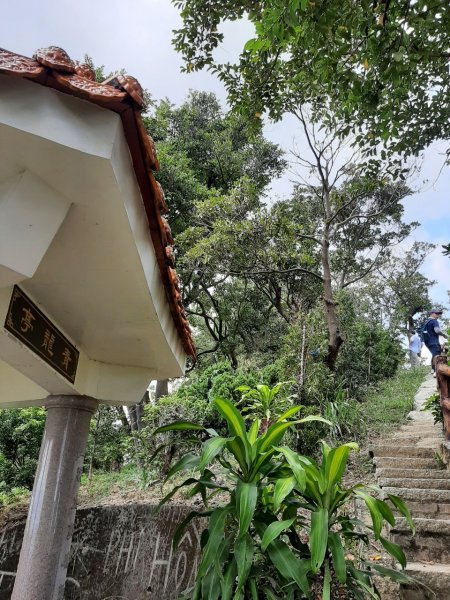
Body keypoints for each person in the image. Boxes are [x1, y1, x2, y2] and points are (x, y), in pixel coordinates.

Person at [424, 309, 448, 375]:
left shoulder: (427, 322)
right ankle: (436, 371)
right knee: (437, 355)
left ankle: (433, 369)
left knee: (434, 354)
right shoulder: (434, 321)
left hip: (427, 342)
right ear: (432, 313)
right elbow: (437, 331)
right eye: (437, 313)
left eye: (439, 314)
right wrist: (444, 335)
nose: (438, 315)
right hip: (434, 341)